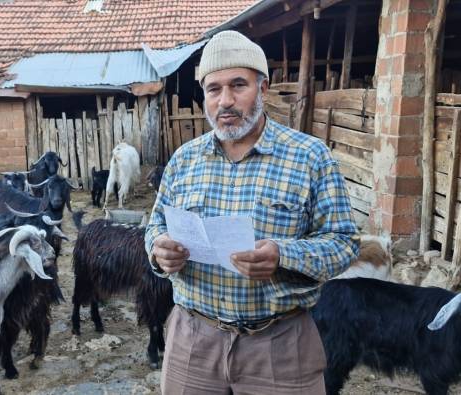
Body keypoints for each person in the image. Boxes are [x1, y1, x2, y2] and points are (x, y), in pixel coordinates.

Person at [144, 30, 360, 395]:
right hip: (193, 341)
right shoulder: (184, 159)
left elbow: (343, 242)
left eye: (238, 85)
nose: (225, 101)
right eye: (214, 89)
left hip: (280, 343)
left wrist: (284, 255)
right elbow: (156, 225)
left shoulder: (309, 157)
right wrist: (159, 248)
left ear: (263, 88)